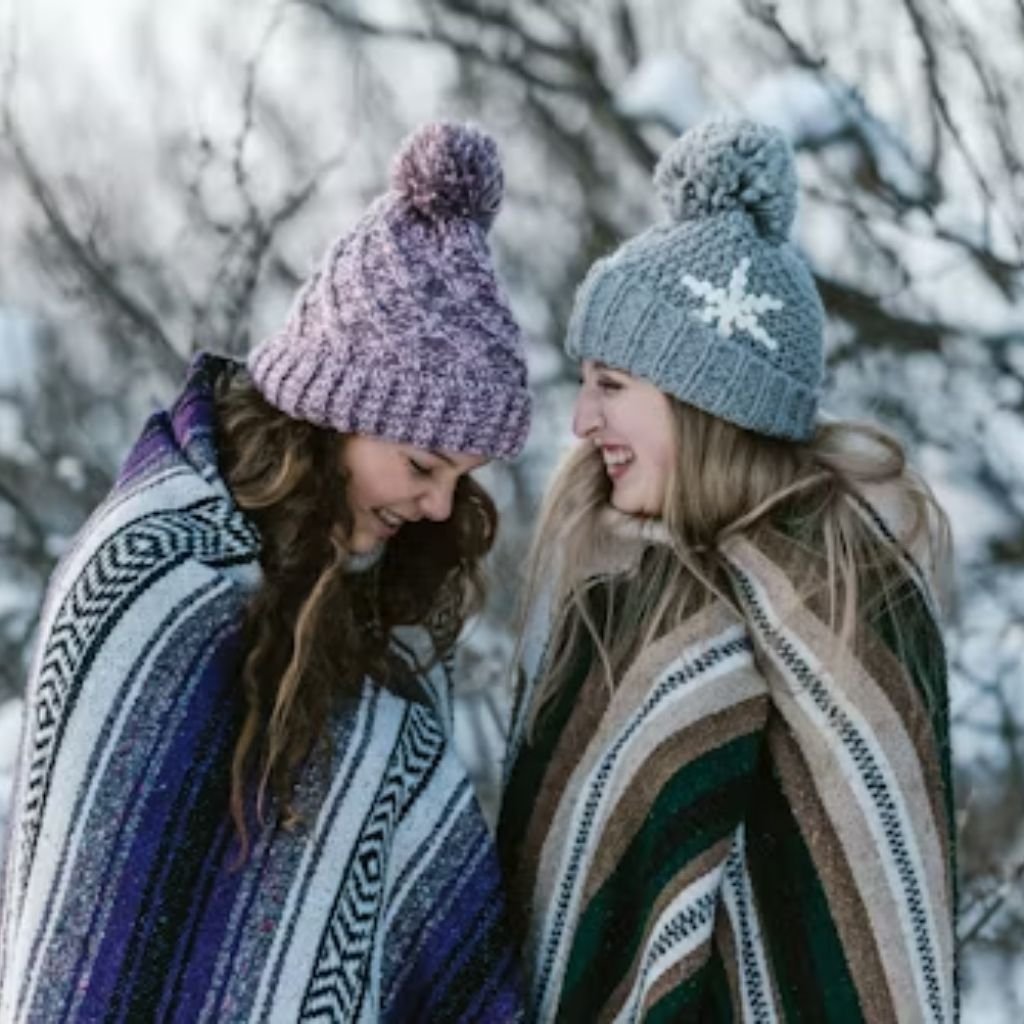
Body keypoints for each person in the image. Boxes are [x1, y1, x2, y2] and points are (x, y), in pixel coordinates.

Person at [0, 121, 530, 1023]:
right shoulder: (149, 577)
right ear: (336, 417)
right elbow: (80, 936)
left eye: (461, 478)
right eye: (422, 464)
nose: (440, 507)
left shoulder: (373, 609)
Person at [498, 118, 957, 1022]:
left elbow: (886, 924)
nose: (584, 421)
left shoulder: (860, 601)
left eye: (612, 384)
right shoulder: (616, 598)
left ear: (704, 396)